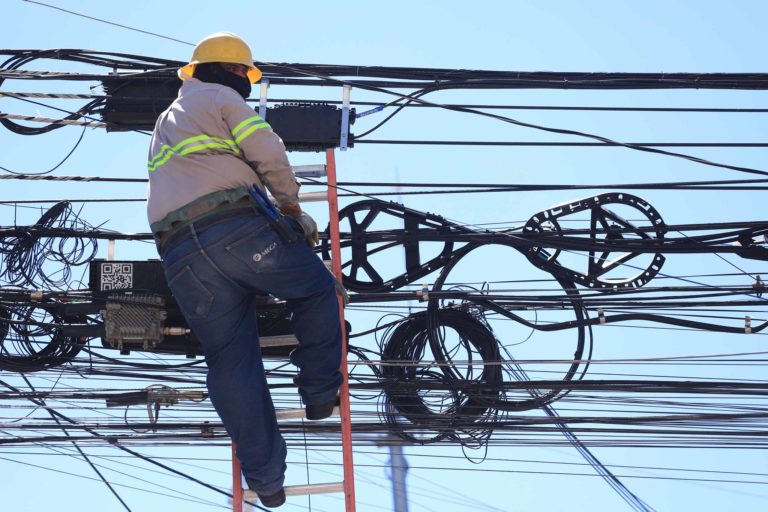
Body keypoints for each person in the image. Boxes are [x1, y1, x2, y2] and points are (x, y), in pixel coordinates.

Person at [146, 32, 343, 508]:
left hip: (180, 254)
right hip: (236, 228)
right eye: (244, 74)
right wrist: (292, 210)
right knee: (319, 292)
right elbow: (268, 152)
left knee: (231, 362)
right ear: (231, 72)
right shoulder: (222, 99)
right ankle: (318, 394)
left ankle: (267, 481)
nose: (247, 84)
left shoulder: (165, 121)